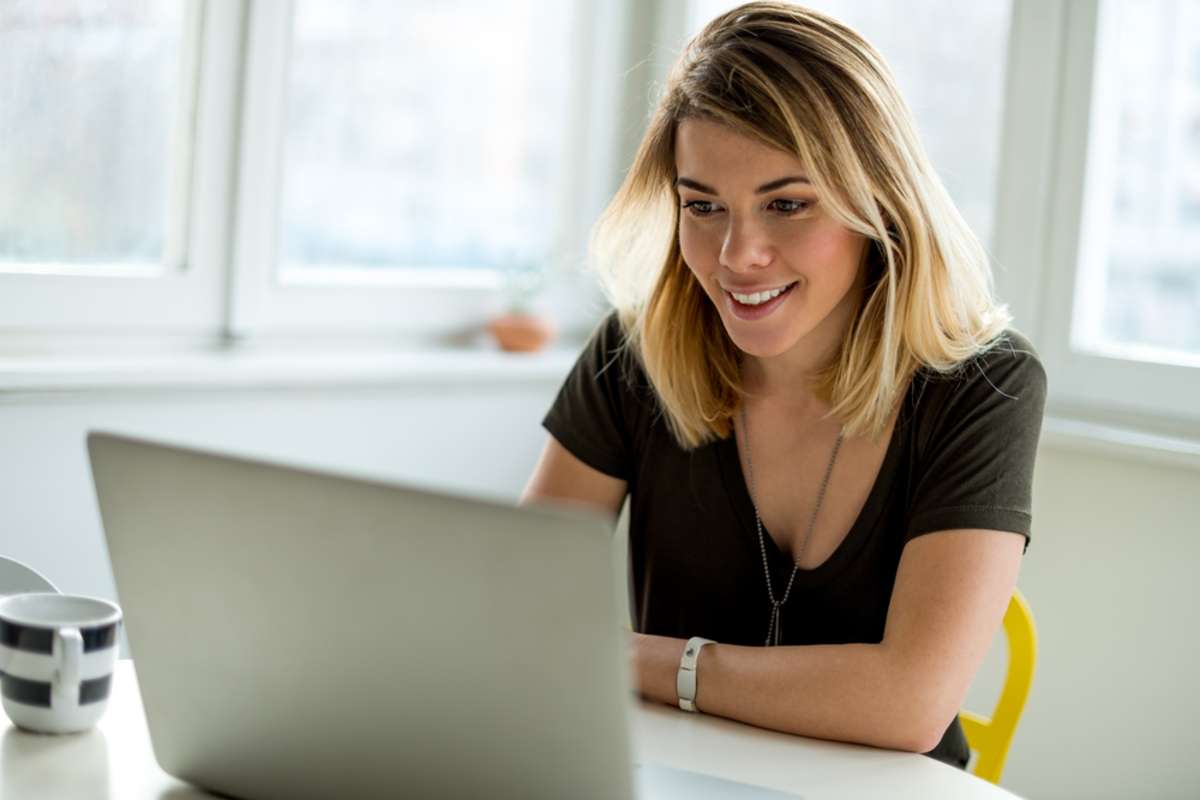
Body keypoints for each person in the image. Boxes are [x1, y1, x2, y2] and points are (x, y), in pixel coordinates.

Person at [521, 1, 1046, 769]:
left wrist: (639, 660)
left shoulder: (984, 384)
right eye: (703, 206)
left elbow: (910, 702)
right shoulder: (635, 355)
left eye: (787, 204)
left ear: (879, 201)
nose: (738, 255)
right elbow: (517, 613)